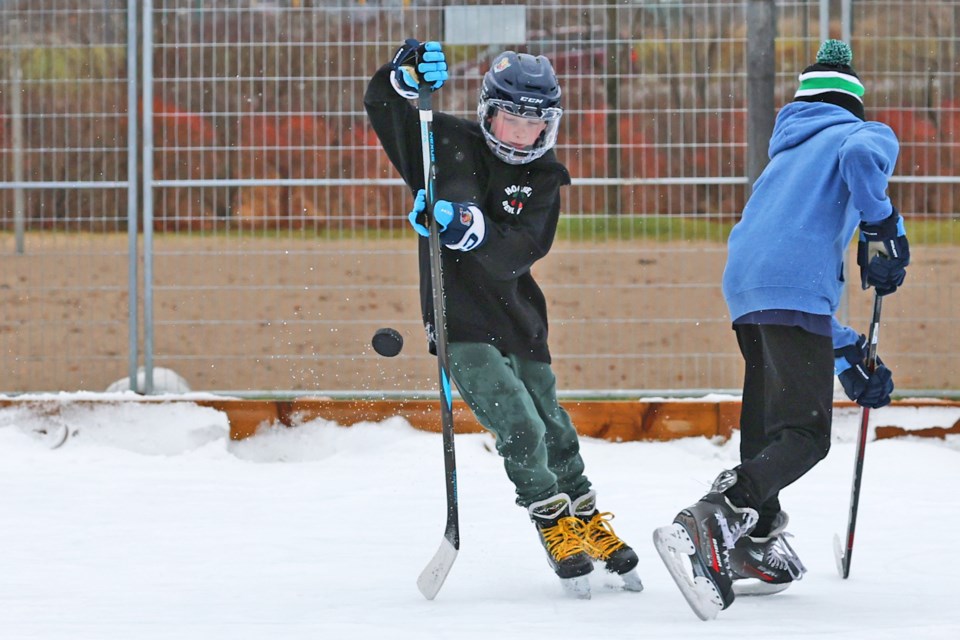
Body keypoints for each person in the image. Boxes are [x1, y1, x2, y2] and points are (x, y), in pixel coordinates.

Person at [364, 39, 641, 598]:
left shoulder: (544, 179)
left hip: (520, 319)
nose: (520, 132)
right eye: (509, 117)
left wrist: (473, 229)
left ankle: (583, 516)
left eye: (533, 123)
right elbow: (386, 109)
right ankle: (550, 521)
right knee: (519, 423)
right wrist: (402, 75)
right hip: (459, 319)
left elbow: (524, 248)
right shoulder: (445, 141)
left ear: (549, 126)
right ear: (488, 111)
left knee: (554, 426)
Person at [653, 40, 909, 620]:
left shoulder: (786, 155)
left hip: (746, 289)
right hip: (791, 291)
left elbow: (793, 296)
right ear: (852, 104)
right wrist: (884, 226)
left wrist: (848, 355)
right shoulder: (858, 133)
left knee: (768, 426)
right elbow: (866, 159)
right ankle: (717, 516)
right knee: (805, 436)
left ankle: (754, 537)